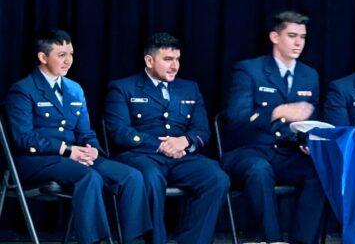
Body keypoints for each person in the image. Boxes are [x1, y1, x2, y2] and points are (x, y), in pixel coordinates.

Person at [5, 28, 150, 244]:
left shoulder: (75, 89)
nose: (68, 61)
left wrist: (91, 148)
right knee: (89, 176)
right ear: (43, 57)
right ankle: (96, 241)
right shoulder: (23, 90)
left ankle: (134, 240)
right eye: (61, 55)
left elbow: (85, 132)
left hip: (76, 156)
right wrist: (67, 150)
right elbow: (24, 138)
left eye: (71, 54)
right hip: (36, 160)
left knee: (132, 176)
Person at [104, 32, 230, 244]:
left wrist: (185, 142)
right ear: (149, 60)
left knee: (217, 178)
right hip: (141, 155)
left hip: (181, 157)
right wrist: (161, 145)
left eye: (177, 59)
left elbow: (202, 131)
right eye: (168, 59)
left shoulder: (189, 88)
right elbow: (119, 132)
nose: (175, 66)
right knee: (150, 178)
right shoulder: (123, 88)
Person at [222, 11, 325, 244]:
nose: (298, 42)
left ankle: (302, 241)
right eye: (291, 35)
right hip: (249, 149)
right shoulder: (249, 70)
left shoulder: (309, 75)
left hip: (286, 151)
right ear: (275, 37)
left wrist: (308, 143)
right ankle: (272, 240)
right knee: (259, 169)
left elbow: (308, 123)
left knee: (319, 171)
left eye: (302, 37)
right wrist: (278, 111)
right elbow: (236, 121)